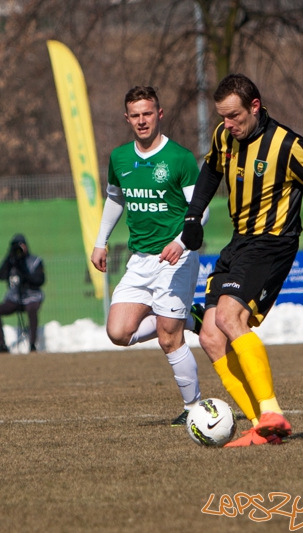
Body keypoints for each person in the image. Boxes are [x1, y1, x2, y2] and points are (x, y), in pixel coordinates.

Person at [180, 73, 303, 447]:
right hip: (239, 241)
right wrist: (193, 215)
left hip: (273, 243)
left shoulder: (289, 145)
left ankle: (271, 409)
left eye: (233, 116)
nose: (227, 124)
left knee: (230, 317)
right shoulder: (224, 136)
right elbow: (212, 170)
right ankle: (263, 425)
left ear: (255, 106)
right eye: (222, 117)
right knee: (211, 336)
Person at [91, 85, 208, 427]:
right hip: (140, 260)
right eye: (135, 115)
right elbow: (115, 199)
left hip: (176, 258)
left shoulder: (180, 158)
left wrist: (182, 243)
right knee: (118, 333)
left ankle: (194, 410)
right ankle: (190, 318)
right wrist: (101, 241)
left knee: (169, 339)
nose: (142, 121)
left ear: (159, 114)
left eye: (147, 113)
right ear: (127, 118)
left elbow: (201, 212)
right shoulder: (120, 158)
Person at [0, 234, 45, 353]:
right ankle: (0, 344)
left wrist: (24, 271)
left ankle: (32, 343)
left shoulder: (35, 261)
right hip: (14, 298)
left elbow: (40, 280)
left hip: (32, 297)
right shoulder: (11, 262)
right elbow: (0, 275)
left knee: (32, 310)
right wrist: (9, 257)